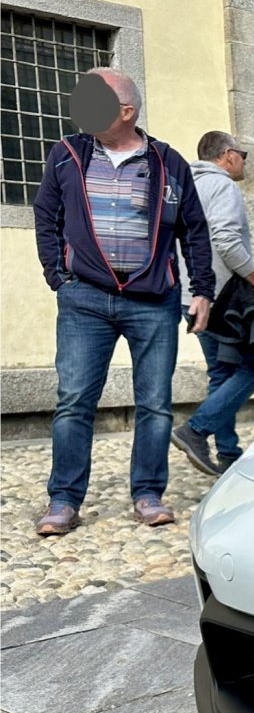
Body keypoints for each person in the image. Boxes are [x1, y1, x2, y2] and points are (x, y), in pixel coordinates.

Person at [32, 68, 214, 536]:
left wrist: (203, 291)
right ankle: (64, 500)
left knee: (154, 404)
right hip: (84, 299)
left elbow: (194, 230)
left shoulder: (168, 161)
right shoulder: (66, 155)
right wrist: (59, 277)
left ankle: (148, 493)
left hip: (153, 301)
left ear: (126, 111)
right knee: (74, 401)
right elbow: (46, 215)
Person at [170, 131, 254, 477]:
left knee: (223, 372)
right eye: (243, 154)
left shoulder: (182, 186)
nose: (244, 160)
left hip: (189, 294)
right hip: (223, 298)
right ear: (228, 155)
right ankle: (195, 429)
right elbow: (225, 239)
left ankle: (228, 453)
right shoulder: (223, 187)